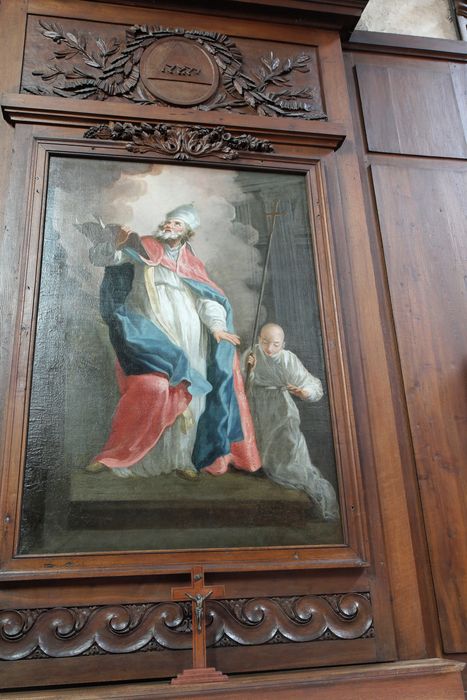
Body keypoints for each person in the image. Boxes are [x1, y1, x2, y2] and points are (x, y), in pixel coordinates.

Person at [86, 203, 261, 480]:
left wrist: (217, 327)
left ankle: (182, 458)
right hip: (151, 333)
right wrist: (114, 243)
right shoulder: (144, 247)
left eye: (177, 223)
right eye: (169, 222)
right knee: (151, 389)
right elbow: (104, 259)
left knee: (190, 396)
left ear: (187, 231)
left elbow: (207, 299)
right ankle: (127, 456)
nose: (170, 226)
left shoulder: (192, 263)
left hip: (191, 337)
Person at [245, 323, 339, 520]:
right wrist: (249, 371)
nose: (269, 348)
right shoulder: (251, 354)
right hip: (255, 408)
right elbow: (239, 384)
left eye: (275, 344)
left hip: (281, 410)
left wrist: (304, 392)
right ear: (259, 339)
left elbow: (313, 385)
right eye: (265, 342)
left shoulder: (288, 359)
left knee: (289, 455)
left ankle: (316, 493)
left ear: (283, 344)